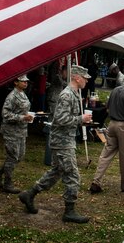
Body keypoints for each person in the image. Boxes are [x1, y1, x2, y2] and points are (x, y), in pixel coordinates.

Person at [18, 65, 93, 224]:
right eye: (85, 78)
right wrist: (81, 119)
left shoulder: (73, 94)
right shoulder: (67, 95)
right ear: (77, 78)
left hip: (64, 140)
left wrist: (80, 120)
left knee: (56, 171)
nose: (87, 80)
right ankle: (69, 211)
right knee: (72, 175)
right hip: (62, 142)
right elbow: (60, 119)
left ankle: (29, 194)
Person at [89, 72, 124, 194]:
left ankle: (96, 181)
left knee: (106, 154)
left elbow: (108, 108)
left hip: (112, 124)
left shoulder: (115, 90)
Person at [0, 74, 34, 194]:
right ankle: (7, 183)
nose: (25, 83)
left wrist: (28, 116)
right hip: (11, 131)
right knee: (13, 156)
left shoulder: (22, 94)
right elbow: (5, 114)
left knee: (19, 156)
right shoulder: (12, 96)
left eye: (26, 81)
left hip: (21, 130)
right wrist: (22, 117)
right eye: (23, 81)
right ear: (15, 82)